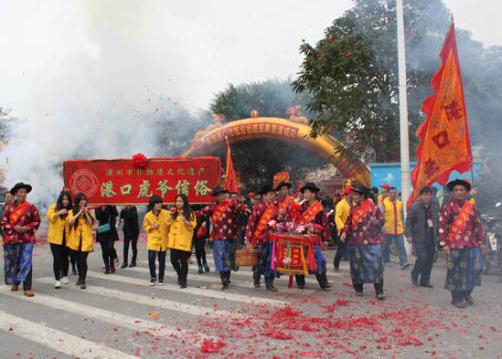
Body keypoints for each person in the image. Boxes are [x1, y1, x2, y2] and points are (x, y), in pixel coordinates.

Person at [439, 179, 485, 308]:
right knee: (456, 272)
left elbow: (478, 225)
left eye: (462, 190)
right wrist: (444, 245)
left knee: (476, 268)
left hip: (471, 244)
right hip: (453, 246)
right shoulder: (447, 208)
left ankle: (467, 291)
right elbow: (442, 227)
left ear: (466, 192)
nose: (459, 192)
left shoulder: (471, 207)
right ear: (453, 192)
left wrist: (481, 241)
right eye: (456, 190)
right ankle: (456, 298)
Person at [341, 184, 385, 299]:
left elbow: (381, 220)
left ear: (362, 196)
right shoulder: (353, 209)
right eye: (353, 194)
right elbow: (348, 223)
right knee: (356, 266)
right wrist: (345, 232)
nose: (353, 196)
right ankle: (358, 288)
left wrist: (374, 223)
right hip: (356, 242)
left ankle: (379, 290)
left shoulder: (372, 207)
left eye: (355, 194)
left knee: (376, 266)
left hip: (372, 241)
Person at [200, 186, 248, 289]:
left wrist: (246, 209)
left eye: (222, 194)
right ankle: (223, 278)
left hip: (230, 235)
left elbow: (241, 207)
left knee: (229, 256)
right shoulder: (212, 207)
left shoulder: (231, 204)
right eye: (218, 195)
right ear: (216, 197)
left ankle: (227, 276)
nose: (221, 197)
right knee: (219, 257)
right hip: (218, 236)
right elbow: (201, 213)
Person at [1, 183, 41, 297]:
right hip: (13, 240)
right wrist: (14, 227)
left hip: (27, 239)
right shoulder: (9, 208)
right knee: (15, 262)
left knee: (27, 261)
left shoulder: (31, 207)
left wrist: (26, 228)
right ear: (15, 194)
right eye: (20, 192)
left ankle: (27, 287)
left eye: (24, 192)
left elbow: (37, 221)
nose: (22, 194)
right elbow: (4, 223)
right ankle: (15, 281)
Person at [294, 183, 330, 290]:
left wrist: (325, 239)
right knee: (300, 260)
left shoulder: (319, 208)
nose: (305, 194)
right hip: (301, 238)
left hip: (313, 240)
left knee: (319, 260)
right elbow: (295, 221)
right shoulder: (300, 207)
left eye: (308, 192)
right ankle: (300, 282)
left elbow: (324, 224)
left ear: (314, 194)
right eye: (304, 192)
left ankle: (323, 282)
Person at [245, 185, 278, 291]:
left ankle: (269, 283)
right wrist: (248, 240)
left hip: (272, 239)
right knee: (260, 261)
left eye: (273, 194)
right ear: (264, 196)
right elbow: (250, 225)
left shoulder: (275, 208)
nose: (272, 196)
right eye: (270, 194)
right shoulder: (258, 208)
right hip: (260, 240)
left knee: (271, 261)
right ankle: (256, 277)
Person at [406, 187, 439, 288]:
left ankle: (425, 281)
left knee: (429, 259)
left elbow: (437, 220)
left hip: (431, 235)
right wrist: (408, 235)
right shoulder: (415, 207)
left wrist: (438, 234)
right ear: (421, 196)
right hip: (419, 236)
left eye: (430, 195)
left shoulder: (434, 206)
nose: (428, 197)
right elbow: (408, 222)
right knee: (422, 258)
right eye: (426, 195)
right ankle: (415, 273)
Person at [167, 194, 196, 288]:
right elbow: (167, 223)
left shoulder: (190, 212)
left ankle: (183, 281)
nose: (178, 203)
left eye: (180, 201)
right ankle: (180, 275)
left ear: (184, 202)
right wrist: (170, 216)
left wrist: (185, 221)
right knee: (173, 260)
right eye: (177, 201)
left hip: (184, 241)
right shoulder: (173, 212)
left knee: (183, 262)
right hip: (173, 241)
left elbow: (192, 225)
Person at [67, 192, 95, 289]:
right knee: (78, 261)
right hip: (75, 240)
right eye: (81, 200)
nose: (83, 202)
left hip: (86, 239)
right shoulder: (72, 211)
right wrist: (79, 212)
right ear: (78, 201)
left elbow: (91, 223)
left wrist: (86, 213)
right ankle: (80, 277)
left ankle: (83, 279)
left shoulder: (89, 211)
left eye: (84, 200)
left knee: (83, 260)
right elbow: (70, 222)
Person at [46, 191, 73, 288]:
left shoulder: (71, 209)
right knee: (56, 258)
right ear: (60, 199)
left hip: (66, 238)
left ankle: (65, 275)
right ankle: (57, 279)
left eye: (67, 199)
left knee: (65, 259)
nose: (65, 201)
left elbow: (72, 222)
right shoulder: (54, 207)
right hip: (54, 238)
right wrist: (59, 213)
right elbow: (49, 217)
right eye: (64, 199)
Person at [143, 195, 169, 286]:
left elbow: (171, 219)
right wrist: (151, 227)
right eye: (157, 203)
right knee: (151, 259)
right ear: (153, 204)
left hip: (162, 241)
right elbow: (145, 226)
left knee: (162, 260)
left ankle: (161, 278)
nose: (159, 205)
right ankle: (153, 277)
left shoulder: (165, 213)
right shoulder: (148, 215)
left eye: (160, 203)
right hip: (152, 241)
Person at [382, 187, 409, 269]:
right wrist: (381, 226)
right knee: (385, 246)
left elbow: (402, 216)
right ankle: (386, 261)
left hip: (398, 229)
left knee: (401, 246)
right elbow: (380, 216)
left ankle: (404, 263)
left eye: (394, 192)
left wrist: (404, 226)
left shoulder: (400, 203)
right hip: (387, 229)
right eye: (391, 192)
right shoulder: (384, 203)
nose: (393, 194)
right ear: (388, 193)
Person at [95, 205, 119, 274]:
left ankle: (112, 264)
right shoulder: (98, 205)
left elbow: (116, 214)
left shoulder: (111, 204)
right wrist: (102, 209)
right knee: (104, 250)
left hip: (111, 230)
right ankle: (107, 267)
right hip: (102, 229)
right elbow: (98, 217)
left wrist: (111, 206)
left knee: (110, 248)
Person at [334, 186, 352, 272]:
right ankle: (336, 265)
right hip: (343, 230)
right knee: (341, 249)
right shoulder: (341, 204)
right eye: (350, 194)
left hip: (352, 229)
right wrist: (341, 227)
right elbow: (337, 217)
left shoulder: (353, 203)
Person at [1, 191, 14, 285]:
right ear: (4, 198)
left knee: (15, 258)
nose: (9, 198)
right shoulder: (1, 209)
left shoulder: (16, 208)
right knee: (8, 258)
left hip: (17, 237)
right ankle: (8, 278)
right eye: (7, 197)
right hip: (6, 237)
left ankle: (15, 277)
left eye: (10, 197)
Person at [193, 209, 210, 274]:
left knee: (201, 247)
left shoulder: (205, 207)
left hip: (202, 230)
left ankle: (204, 262)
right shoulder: (191, 206)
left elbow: (208, 217)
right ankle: (199, 264)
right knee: (197, 249)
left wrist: (206, 221)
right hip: (194, 230)